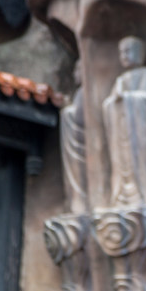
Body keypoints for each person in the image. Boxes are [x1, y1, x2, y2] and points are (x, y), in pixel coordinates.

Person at [103, 36, 146, 205]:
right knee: (122, 164)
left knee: (144, 162)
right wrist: (114, 101)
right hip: (123, 133)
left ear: (140, 53)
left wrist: (126, 98)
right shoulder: (121, 80)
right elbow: (108, 105)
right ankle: (122, 197)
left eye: (128, 51)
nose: (124, 56)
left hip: (141, 133)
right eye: (121, 52)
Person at [61, 62, 88, 214]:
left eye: (78, 69)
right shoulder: (80, 93)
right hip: (74, 143)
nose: (75, 74)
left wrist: (68, 112)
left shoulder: (85, 93)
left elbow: (81, 117)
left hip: (81, 143)